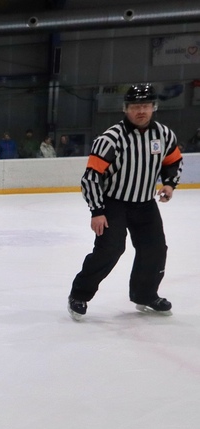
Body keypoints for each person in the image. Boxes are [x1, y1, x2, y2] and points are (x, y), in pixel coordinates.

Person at [67, 83, 182, 321]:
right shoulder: (111, 139)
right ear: (126, 109)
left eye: (146, 106)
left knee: (155, 250)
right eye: (136, 106)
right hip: (113, 203)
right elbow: (91, 177)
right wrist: (97, 211)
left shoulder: (164, 135)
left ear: (154, 107)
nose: (141, 111)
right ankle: (79, 294)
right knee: (110, 249)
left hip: (145, 203)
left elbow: (173, 161)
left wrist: (170, 184)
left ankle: (145, 295)